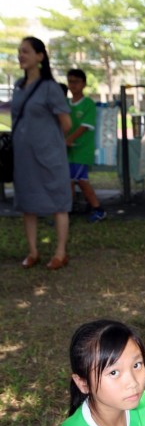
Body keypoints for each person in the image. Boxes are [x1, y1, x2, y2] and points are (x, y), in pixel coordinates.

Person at [11, 36, 72, 270]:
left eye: (25, 51)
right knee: (28, 203)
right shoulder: (18, 86)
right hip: (23, 157)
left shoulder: (50, 88)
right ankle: (33, 252)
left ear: (40, 56)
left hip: (48, 156)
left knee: (58, 202)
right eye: (19, 52)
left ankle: (60, 252)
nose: (21, 56)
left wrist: (47, 141)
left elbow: (65, 123)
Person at [66, 69, 106, 223]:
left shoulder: (88, 104)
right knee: (68, 181)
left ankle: (98, 209)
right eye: (70, 81)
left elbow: (84, 126)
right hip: (67, 151)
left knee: (81, 181)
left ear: (83, 84)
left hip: (82, 149)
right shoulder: (64, 103)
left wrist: (69, 139)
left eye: (76, 81)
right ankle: (67, 210)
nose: (73, 85)